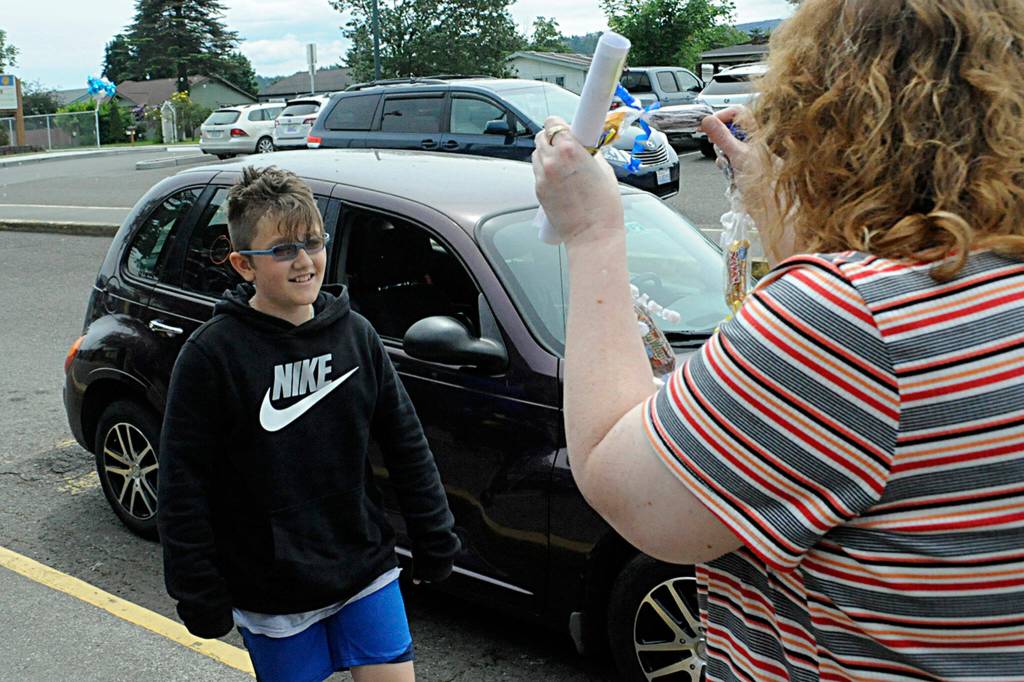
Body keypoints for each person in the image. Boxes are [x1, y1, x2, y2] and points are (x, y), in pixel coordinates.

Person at [532, 1, 1024, 680]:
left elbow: (621, 486)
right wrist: (777, 194)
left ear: (827, 120)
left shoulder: (846, 321)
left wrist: (592, 231)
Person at [157, 166, 460, 682]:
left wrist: (435, 534)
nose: (303, 261)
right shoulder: (213, 356)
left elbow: (406, 444)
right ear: (242, 265)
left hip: (365, 568)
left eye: (312, 243)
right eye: (281, 250)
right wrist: (198, 589)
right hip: (273, 590)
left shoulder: (356, 336)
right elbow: (183, 485)